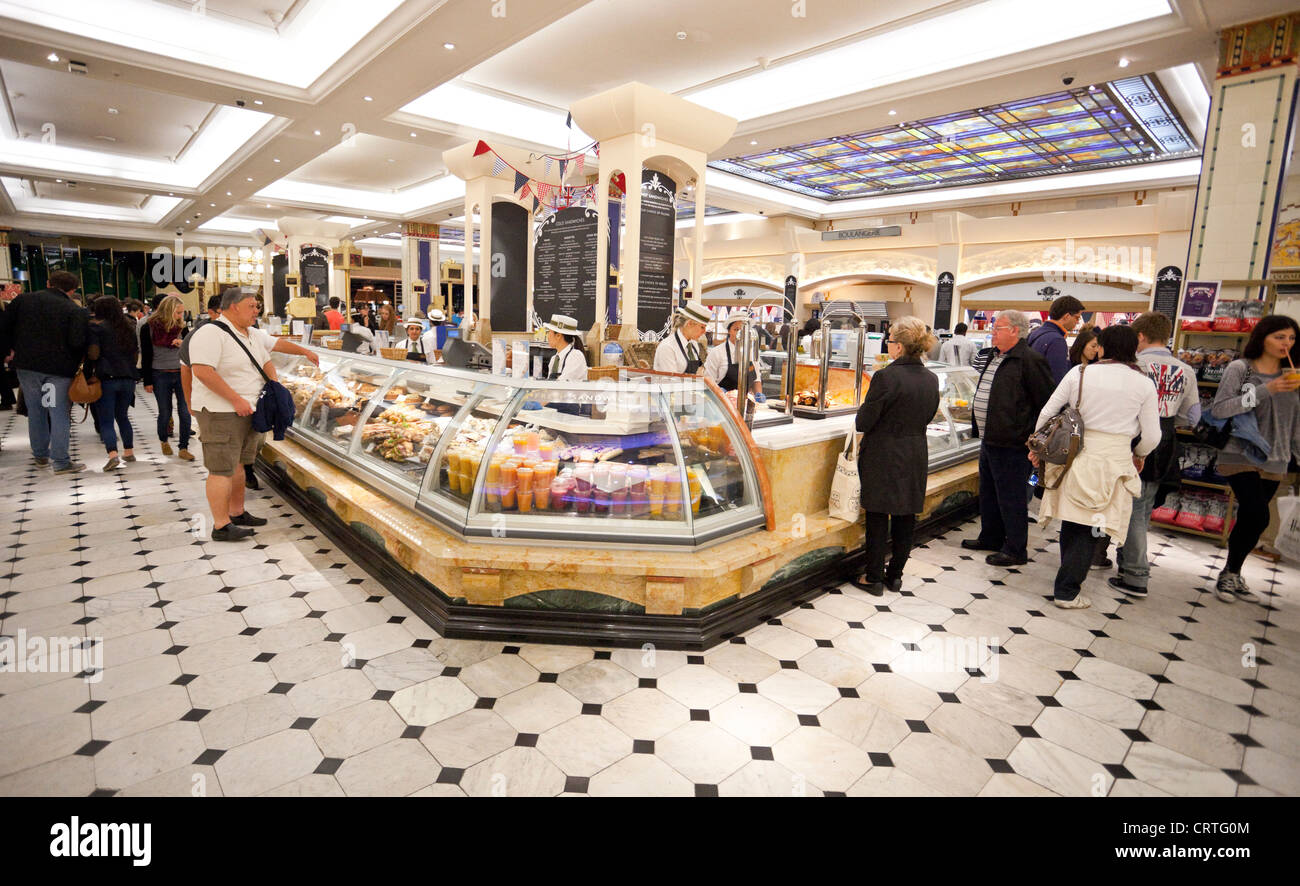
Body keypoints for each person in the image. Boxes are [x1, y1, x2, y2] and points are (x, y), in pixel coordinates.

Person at [1032, 324, 1160, 609]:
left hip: (1075, 455)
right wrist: (1139, 454)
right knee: (1093, 525)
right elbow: (1152, 436)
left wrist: (1038, 448)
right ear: (1133, 351)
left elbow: (1048, 411)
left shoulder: (1079, 373)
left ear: (1101, 347)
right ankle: (1066, 590)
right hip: (1114, 459)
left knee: (1073, 517)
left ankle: (1067, 582)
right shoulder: (1143, 383)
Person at [1207, 315, 1300, 603]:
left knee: (1252, 518)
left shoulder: (1294, 373)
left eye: (1291, 338)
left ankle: (1233, 572)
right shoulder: (1241, 369)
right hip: (1241, 451)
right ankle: (1229, 573)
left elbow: (1295, 421)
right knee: (1258, 512)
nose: (1286, 343)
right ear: (1263, 337)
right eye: (1279, 336)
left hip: (1277, 455)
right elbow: (1222, 409)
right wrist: (1267, 389)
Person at [1109, 311, 1201, 598]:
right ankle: (1125, 563)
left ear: (1140, 336)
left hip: (1132, 435)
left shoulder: (1134, 366)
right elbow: (1193, 415)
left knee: (1121, 505)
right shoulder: (1185, 370)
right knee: (1143, 505)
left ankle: (1136, 574)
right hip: (1166, 438)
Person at [852, 316, 941, 595]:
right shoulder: (931, 378)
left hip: (884, 452)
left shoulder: (886, 377)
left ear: (899, 347)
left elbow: (863, 422)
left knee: (878, 514)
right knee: (906, 515)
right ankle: (896, 575)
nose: (887, 344)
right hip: (915, 450)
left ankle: (874, 577)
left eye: (889, 340)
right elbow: (928, 415)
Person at [961, 309, 1055, 566]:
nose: (992, 332)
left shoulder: (1030, 360)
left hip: (1014, 443)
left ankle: (1015, 549)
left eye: (997, 328)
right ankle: (990, 536)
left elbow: (1046, 403)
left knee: (1012, 498)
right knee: (989, 492)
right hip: (990, 439)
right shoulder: (995, 356)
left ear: (1014, 330)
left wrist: (1032, 439)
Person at [187, 288, 277, 541]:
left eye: (257, 306)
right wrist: (235, 399)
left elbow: (269, 355)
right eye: (252, 306)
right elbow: (203, 372)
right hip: (221, 413)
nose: (256, 310)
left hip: (246, 410)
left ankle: (237, 512)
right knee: (220, 469)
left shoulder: (248, 333)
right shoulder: (210, 333)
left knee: (238, 465)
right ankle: (220, 525)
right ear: (233, 307)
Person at [0, 270, 89, 473]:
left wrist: (7, 352)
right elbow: (77, 343)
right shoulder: (73, 310)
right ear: (72, 290)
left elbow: (3, 328)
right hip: (58, 371)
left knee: (36, 410)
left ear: (48, 283)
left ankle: (40, 455)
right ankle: (60, 461)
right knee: (58, 413)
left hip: (27, 366)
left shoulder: (22, 300)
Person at [86, 296, 140, 471]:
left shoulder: (96, 328)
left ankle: (113, 455)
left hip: (107, 377)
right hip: (128, 377)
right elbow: (135, 353)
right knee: (123, 416)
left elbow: (93, 354)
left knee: (106, 420)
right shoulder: (128, 327)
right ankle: (129, 451)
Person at [141, 294, 194, 461]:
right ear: (168, 311)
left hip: (181, 372)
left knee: (185, 411)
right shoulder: (148, 327)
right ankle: (163, 440)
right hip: (159, 373)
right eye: (178, 313)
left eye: (182, 313)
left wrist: (183, 343)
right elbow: (146, 355)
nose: (181, 316)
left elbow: (190, 349)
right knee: (165, 411)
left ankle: (183, 447)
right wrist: (147, 380)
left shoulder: (181, 327)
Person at [704, 314, 765, 400]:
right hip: (722, 403)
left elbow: (756, 379)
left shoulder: (751, 352)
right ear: (729, 331)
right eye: (736, 329)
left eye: (743, 330)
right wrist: (720, 393)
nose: (740, 333)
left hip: (745, 401)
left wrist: (759, 394)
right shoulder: (717, 352)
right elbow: (708, 382)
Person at [1027, 294, 1086, 384]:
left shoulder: (1034, 334)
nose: (1077, 322)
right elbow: (1057, 379)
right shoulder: (1057, 340)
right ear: (1066, 316)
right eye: (1077, 318)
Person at [654, 302, 711, 374]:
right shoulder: (667, 347)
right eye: (702, 327)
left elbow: (695, 371)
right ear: (689, 324)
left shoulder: (693, 345)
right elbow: (670, 380)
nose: (704, 332)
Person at [543, 314, 589, 381]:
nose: (547, 336)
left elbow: (563, 384)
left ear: (558, 336)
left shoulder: (575, 356)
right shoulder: (554, 359)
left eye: (549, 332)